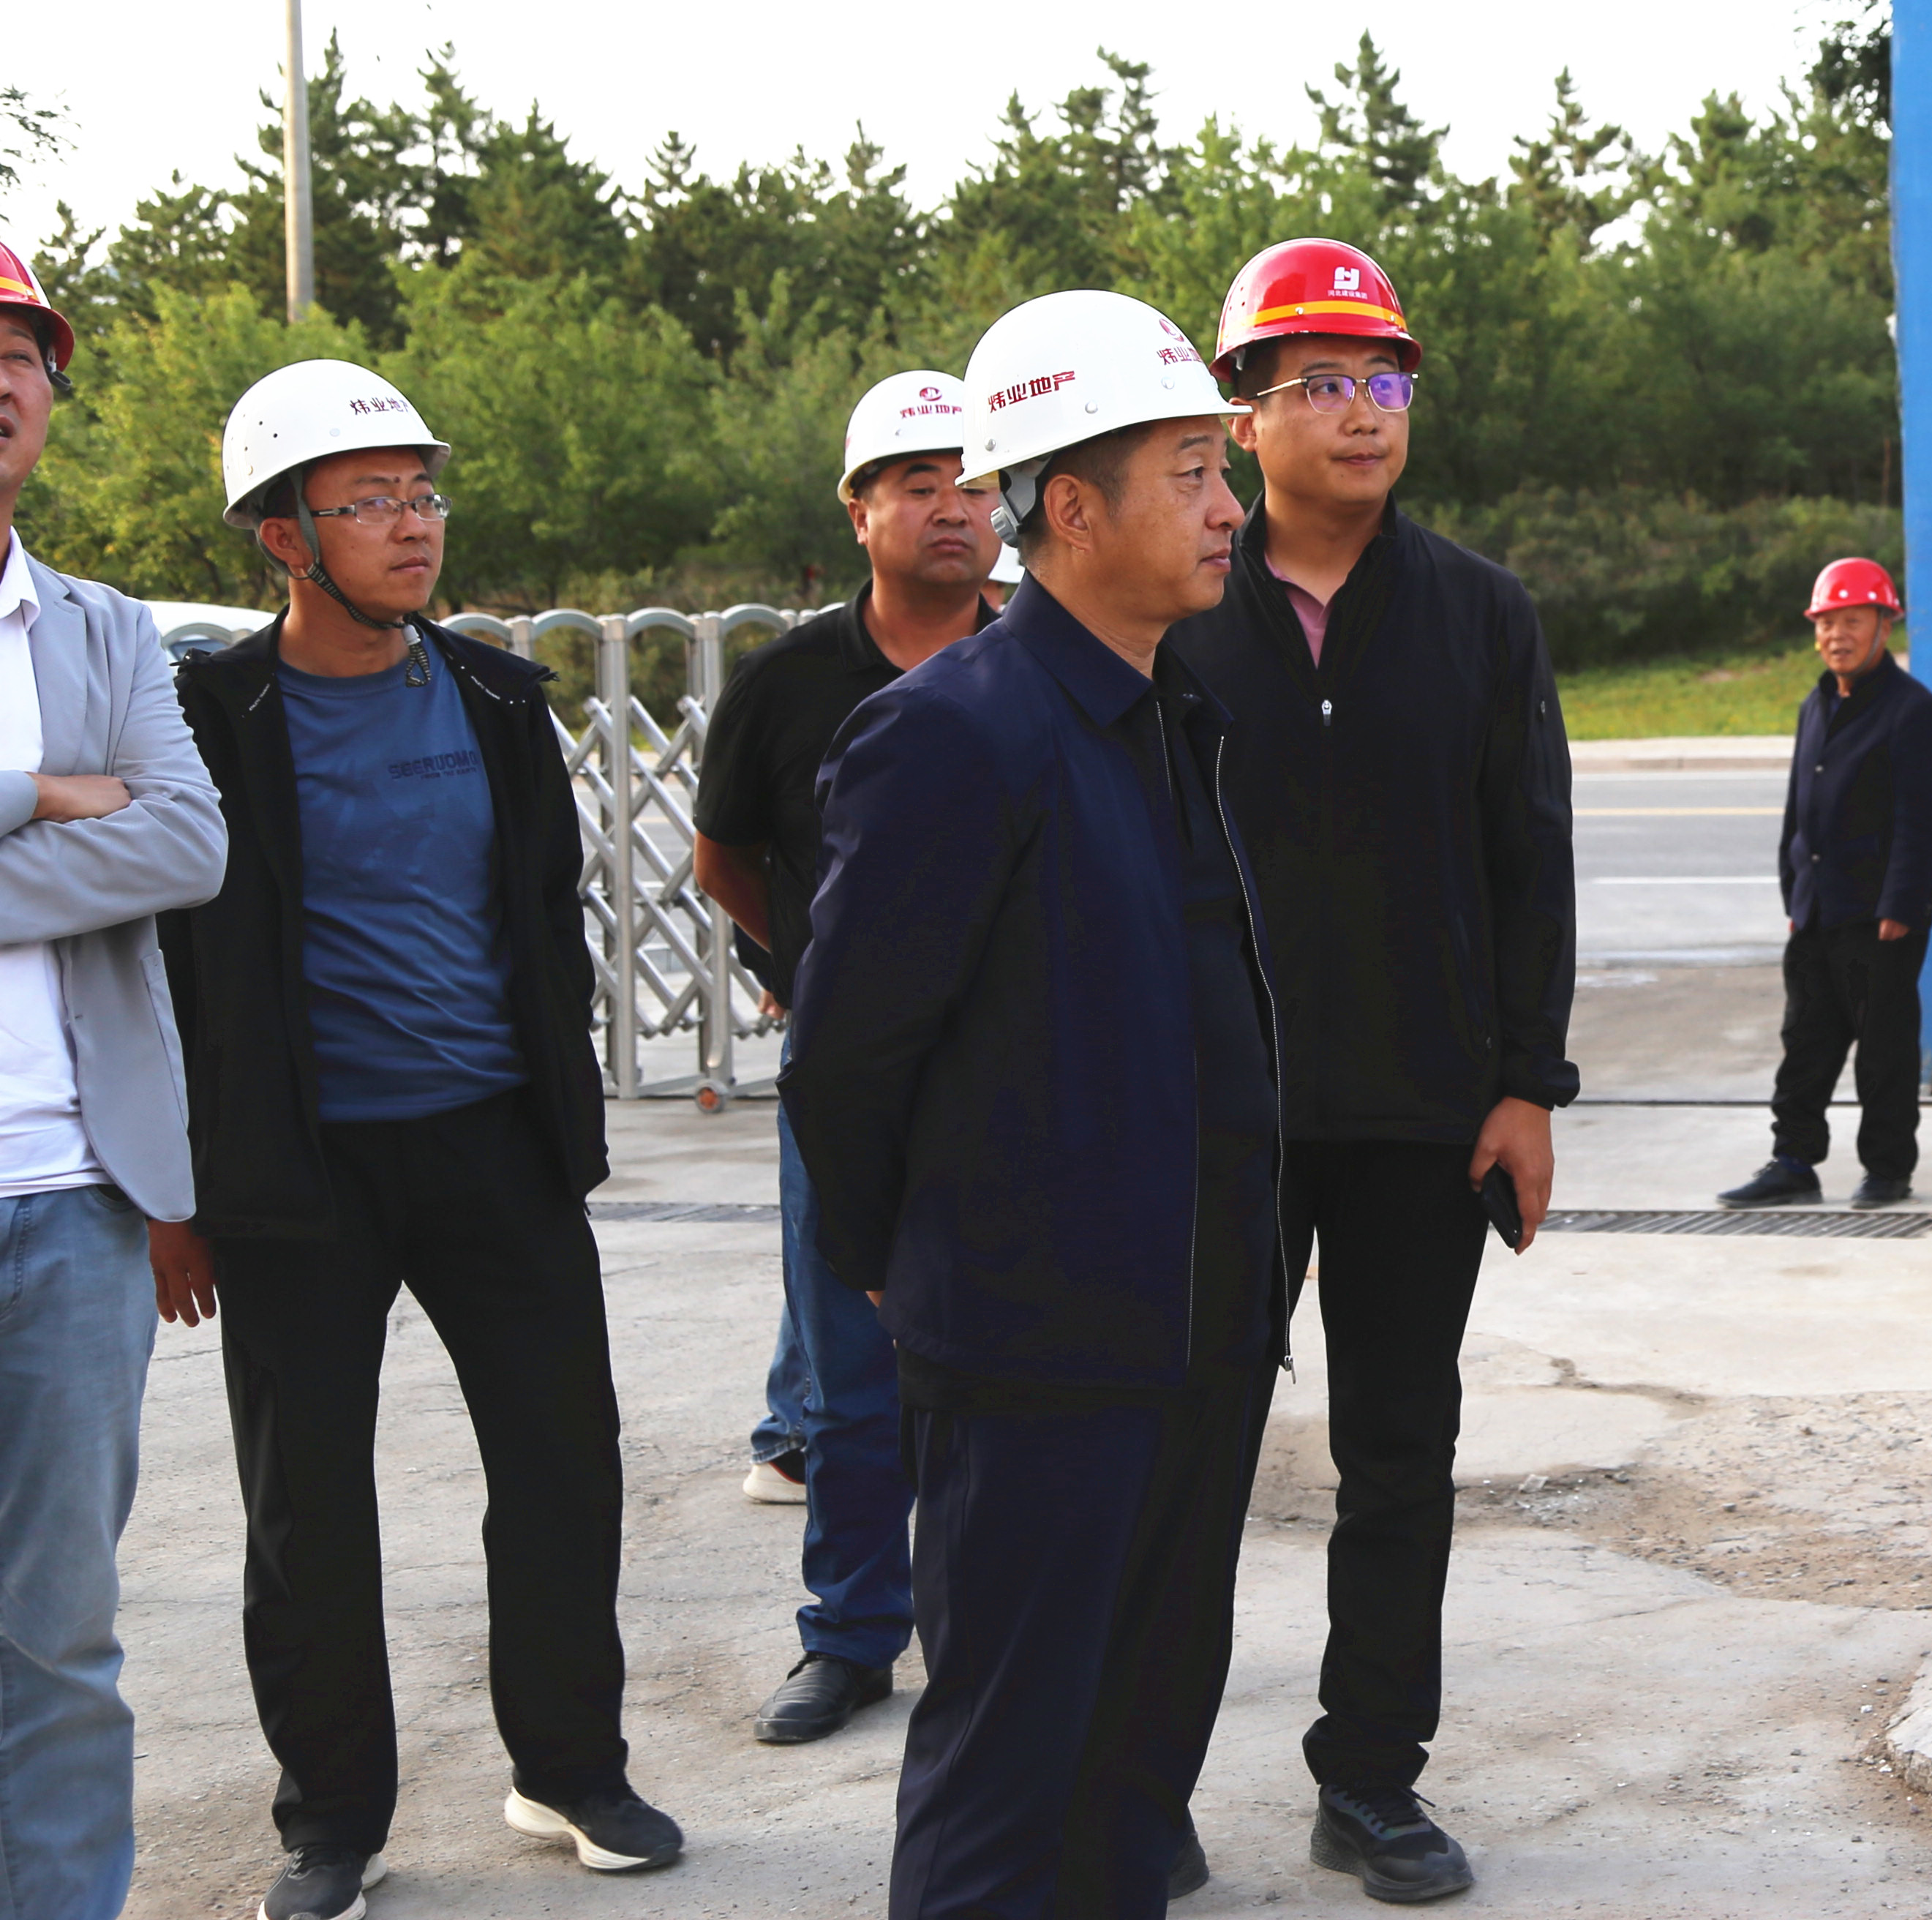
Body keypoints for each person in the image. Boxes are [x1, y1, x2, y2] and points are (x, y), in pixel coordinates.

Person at [155, 361, 683, 1920]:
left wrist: (559, 1111)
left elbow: (545, 919)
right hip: (299, 1170)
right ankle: (331, 1820)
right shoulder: (211, 716)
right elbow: (170, 965)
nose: (412, 524)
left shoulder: (501, 698)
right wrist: (174, 1189)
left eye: (421, 493)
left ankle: (571, 1766)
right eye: (369, 500)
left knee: (563, 1462)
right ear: (284, 537)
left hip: (494, 1147)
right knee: (306, 1505)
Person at [786, 292, 1279, 1920]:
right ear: (1070, 505)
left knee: (1138, 1763)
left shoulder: (1169, 713)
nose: (1229, 506)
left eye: (1221, 470)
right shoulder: (952, 734)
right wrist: (894, 1260)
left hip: (1196, 1331)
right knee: (1008, 1774)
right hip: (1033, 1347)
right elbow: (846, 1057)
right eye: (1192, 472)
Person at [1161, 237, 1574, 1904]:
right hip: (1215, 1120)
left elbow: (1529, 861)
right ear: (1241, 416)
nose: (1360, 411)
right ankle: (1142, 1777)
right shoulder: (1180, 611)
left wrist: (1525, 1085)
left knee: (1399, 1455)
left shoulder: (1477, 612)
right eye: (1319, 381)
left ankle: (1372, 1776)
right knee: (1185, 1454)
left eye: (1384, 378)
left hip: (1422, 1113)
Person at [692, 370, 999, 1747]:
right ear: (860, 512)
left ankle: (998, 1628)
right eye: (919, 484)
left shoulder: (1048, 656)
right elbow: (725, 858)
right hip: (853, 1084)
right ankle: (852, 1635)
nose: (954, 508)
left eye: (975, 482)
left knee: (1013, 1369)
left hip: (1016, 1075)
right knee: (852, 1372)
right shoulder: (789, 683)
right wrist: (815, 974)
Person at [0, 245, 228, 1920]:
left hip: (72, 1203)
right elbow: (116, 834)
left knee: (57, 1637)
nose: (1, 381)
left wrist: (102, 810)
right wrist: (42, 793)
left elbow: (187, 844)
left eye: (21, 355)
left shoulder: (104, 628)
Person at [1718, 555, 1932, 1211]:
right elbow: (1798, 810)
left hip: (1881, 919)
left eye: (1852, 621)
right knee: (1805, 1044)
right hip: (1817, 912)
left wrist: (1901, 904)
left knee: (1883, 1052)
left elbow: (1921, 821)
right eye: (1826, 623)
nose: (1837, 635)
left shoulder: (1914, 712)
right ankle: (1793, 1161)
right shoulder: (1816, 704)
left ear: (1884, 625)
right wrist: (1793, 891)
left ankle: (1887, 1170)